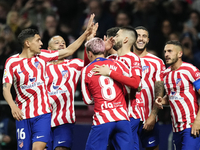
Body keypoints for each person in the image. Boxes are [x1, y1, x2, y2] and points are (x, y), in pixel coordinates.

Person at [2, 14, 94, 150]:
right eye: (38, 40)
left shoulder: (43, 56)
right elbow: (5, 89)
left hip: (43, 115)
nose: (41, 43)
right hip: (23, 114)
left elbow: (70, 50)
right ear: (28, 43)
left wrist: (86, 34)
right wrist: (13, 106)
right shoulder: (11, 62)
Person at [92, 26, 142, 150]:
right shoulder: (111, 59)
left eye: (117, 36)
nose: (114, 39)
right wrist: (104, 49)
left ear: (125, 39)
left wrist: (110, 73)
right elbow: (90, 66)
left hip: (130, 114)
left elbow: (136, 83)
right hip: (114, 115)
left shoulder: (133, 58)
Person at [81, 37, 133, 150]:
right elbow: (131, 85)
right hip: (122, 117)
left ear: (89, 53)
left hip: (103, 119)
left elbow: (87, 100)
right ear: (104, 51)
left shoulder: (86, 70)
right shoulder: (119, 64)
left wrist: (98, 96)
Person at [155, 40, 200, 150]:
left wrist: (198, 121)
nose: (166, 54)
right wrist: (162, 100)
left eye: (170, 51)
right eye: (165, 51)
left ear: (180, 53)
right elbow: (173, 96)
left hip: (191, 124)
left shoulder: (190, 70)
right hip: (176, 127)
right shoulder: (165, 74)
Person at [46, 35, 84, 150]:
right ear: (48, 49)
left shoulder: (74, 64)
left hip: (64, 118)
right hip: (43, 119)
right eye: (57, 42)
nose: (61, 44)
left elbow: (91, 63)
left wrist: (90, 41)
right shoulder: (40, 67)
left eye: (63, 42)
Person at [133, 26, 166, 150]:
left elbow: (159, 90)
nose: (140, 38)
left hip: (148, 117)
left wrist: (153, 116)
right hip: (127, 117)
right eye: (137, 35)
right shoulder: (123, 60)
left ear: (148, 40)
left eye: (144, 36)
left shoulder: (157, 62)